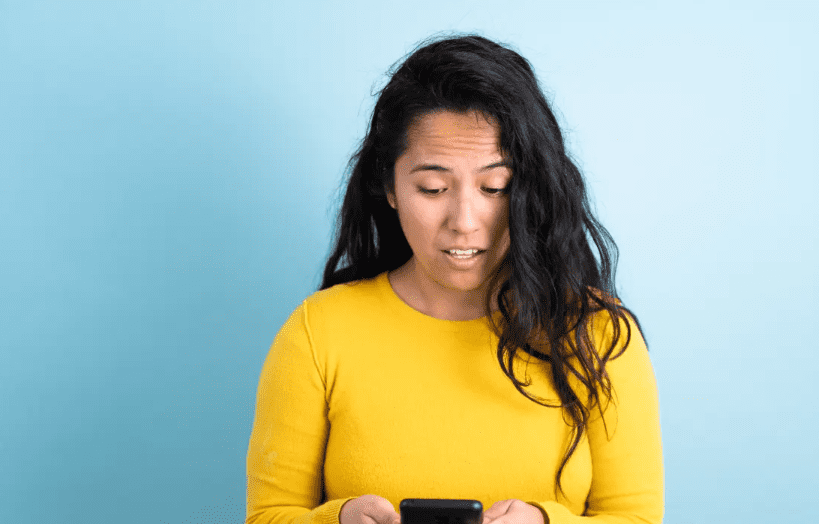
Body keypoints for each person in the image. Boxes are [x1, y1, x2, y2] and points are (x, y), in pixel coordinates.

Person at [245, 34, 664, 524]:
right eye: (434, 187)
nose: (464, 220)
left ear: (531, 189)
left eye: (495, 187)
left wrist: (547, 522)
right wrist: (336, 519)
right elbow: (269, 515)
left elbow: (635, 517)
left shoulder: (596, 335)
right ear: (390, 186)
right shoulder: (317, 334)